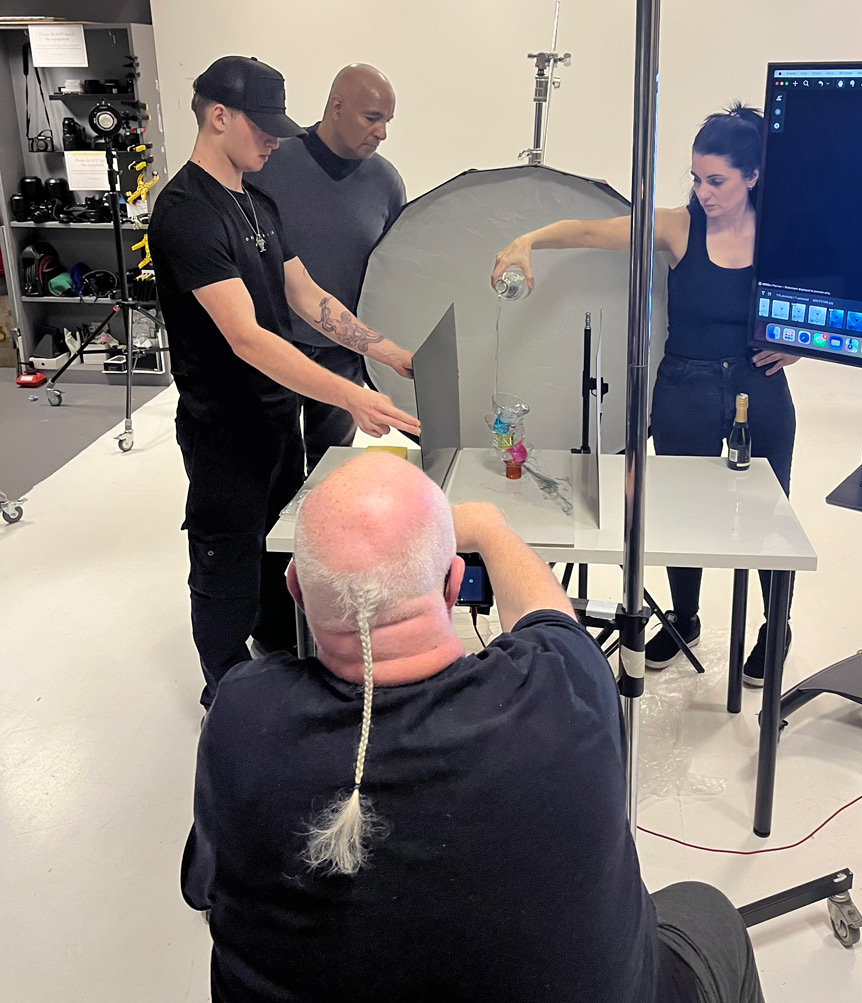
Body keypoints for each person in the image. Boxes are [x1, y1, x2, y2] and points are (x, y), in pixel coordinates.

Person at [181, 452, 765, 1003]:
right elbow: (549, 618)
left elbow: (204, 890)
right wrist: (489, 529)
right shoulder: (561, 692)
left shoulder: (241, 718)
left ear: (296, 591)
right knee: (705, 911)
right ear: (454, 586)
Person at [491, 103, 797, 686]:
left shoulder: (783, 233)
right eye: (696, 178)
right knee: (681, 512)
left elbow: (836, 297)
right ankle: (686, 617)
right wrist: (528, 240)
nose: (703, 192)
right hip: (685, 388)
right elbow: (590, 231)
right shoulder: (679, 227)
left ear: (753, 176)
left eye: (717, 181)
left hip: (759, 388)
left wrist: (803, 345)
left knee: (772, 515)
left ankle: (775, 625)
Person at [148, 56, 419, 709]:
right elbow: (246, 336)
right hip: (224, 427)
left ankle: (276, 653)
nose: (274, 139)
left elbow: (308, 296)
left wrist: (388, 352)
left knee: (278, 538)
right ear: (218, 116)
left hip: (273, 417)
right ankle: (225, 695)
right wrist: (351, 394)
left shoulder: (256, 202)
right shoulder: (188, 212)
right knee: (228, 557)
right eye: (262, 125)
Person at [255, 63, 406, 472]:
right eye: (372, 118)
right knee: (272, 466)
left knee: (331, 467)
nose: (382, 132)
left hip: (342, 353)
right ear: (336, 107)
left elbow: (391, 269)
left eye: (388, 121)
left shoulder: (386, 182)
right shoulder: (269, 162)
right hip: (273, 346)